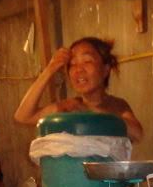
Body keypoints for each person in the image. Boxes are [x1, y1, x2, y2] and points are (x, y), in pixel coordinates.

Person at [14, 37, 143, 142]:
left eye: (87, 61)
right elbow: (23, 116)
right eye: (73, 64)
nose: (78, 69)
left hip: (108, 174)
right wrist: (50, 69)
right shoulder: (67, 108)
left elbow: (137, 133)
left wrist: (90, 111)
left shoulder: (117, 105)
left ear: (105, 69)